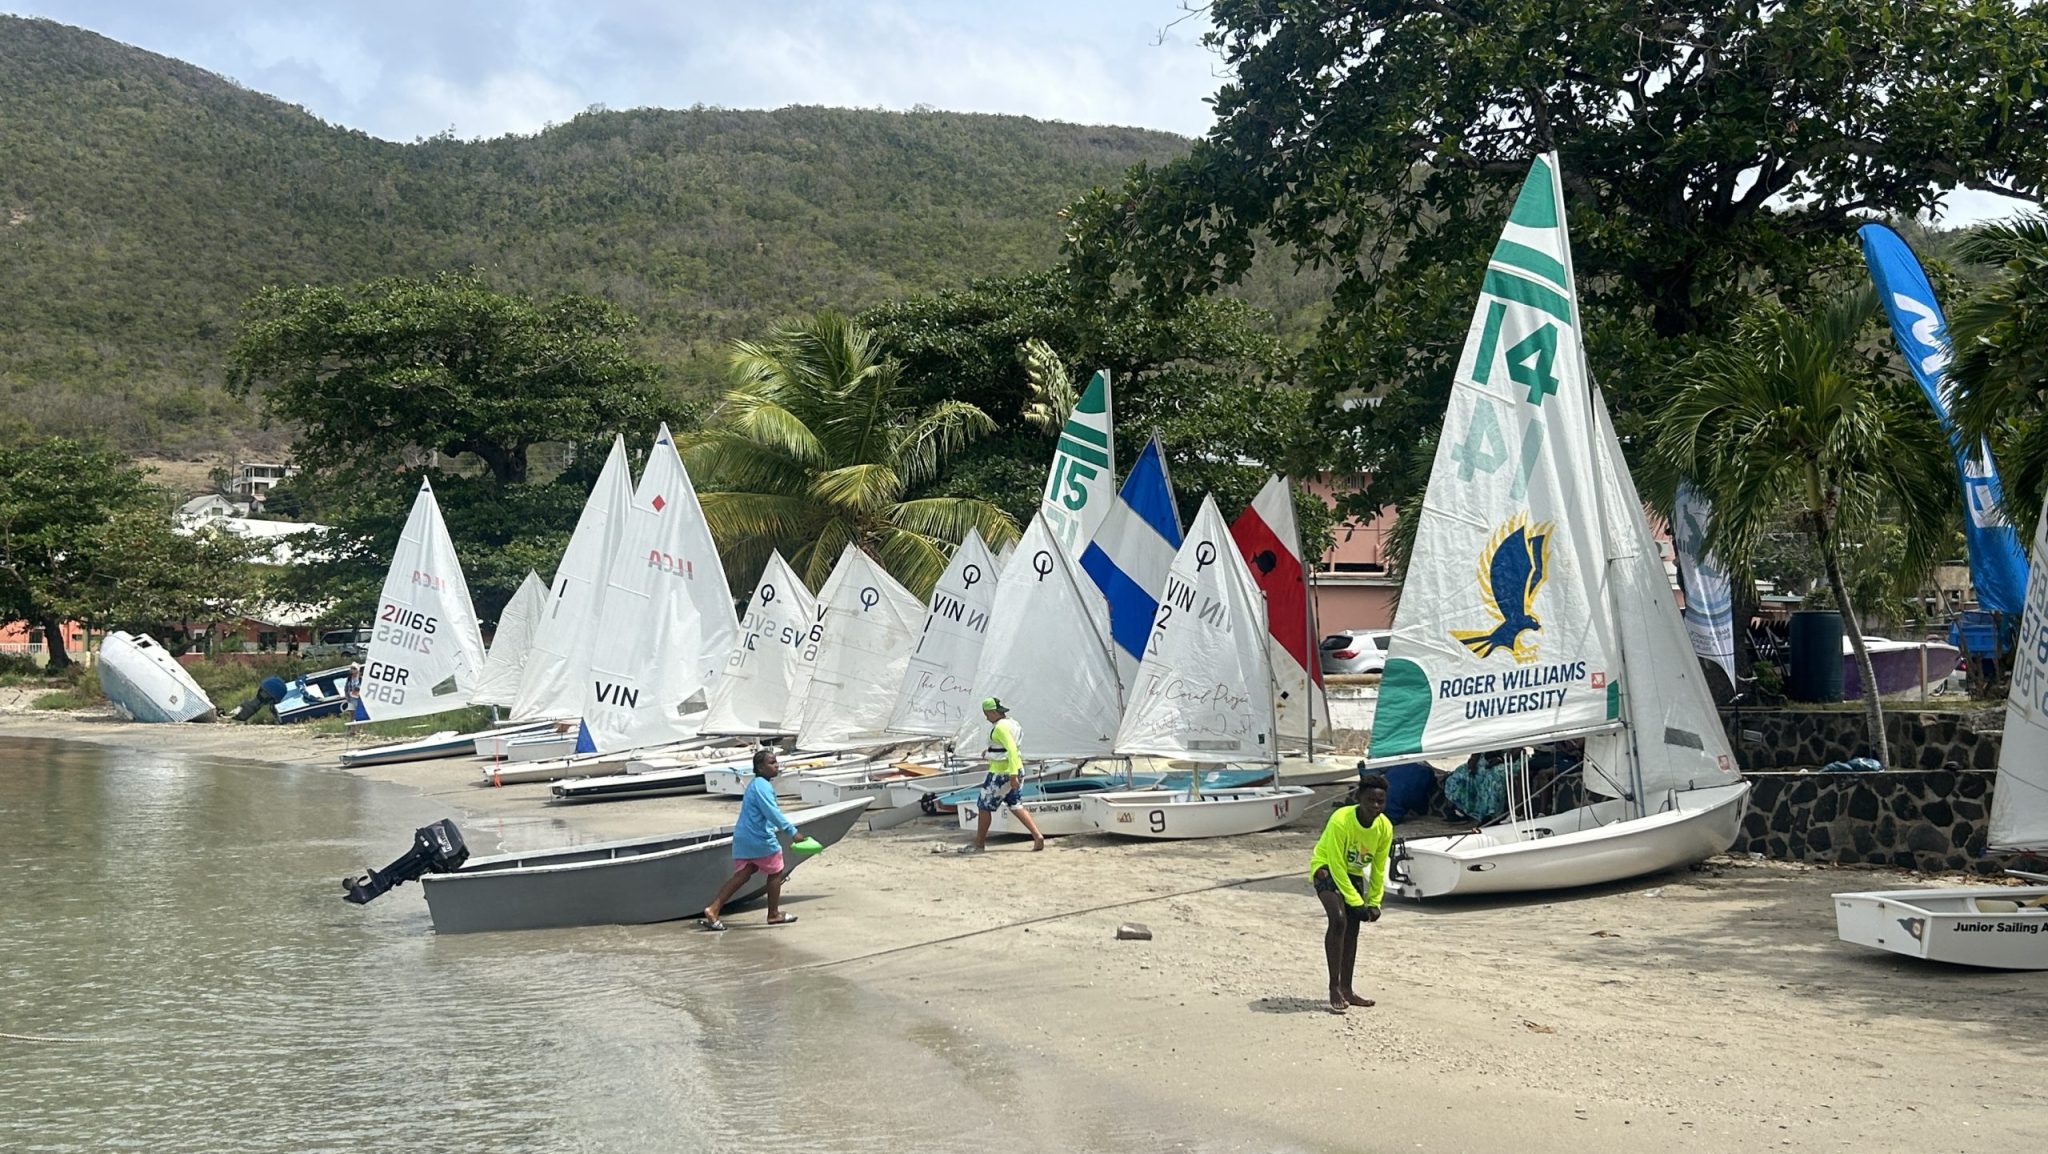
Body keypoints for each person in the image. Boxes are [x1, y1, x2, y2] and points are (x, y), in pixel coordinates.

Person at [1308, 774, 1393, 1015]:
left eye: (1380, 801)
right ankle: (1334, 987)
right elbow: (1336, 864)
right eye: (1370, 800)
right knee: (1338, 920)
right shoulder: (1341, 820)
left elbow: (1378, 868)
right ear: (1358, 798)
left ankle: (1347, 988)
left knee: (1353, 929)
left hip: (1352, 872)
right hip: (1326, 867)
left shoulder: (1385, 827)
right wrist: (1356, 902)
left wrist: (1374, 902)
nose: (1375, 806)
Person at [700, 748, 802, 930]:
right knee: (776, 870)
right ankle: (773, 914)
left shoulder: (755, 785)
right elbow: (772, 813)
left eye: (776, 761)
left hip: (743, 837)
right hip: (758, 838)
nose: (776, 765)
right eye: (771, 762)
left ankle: (713, 909)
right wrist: (792, 832)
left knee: (743, 874)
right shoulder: (762, 786)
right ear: (760, 768)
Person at [958, 696, 1045, 854]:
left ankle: (979, 844)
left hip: (1001, 773)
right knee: (1015, 804)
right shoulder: (1014, 723)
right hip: (1018, 768)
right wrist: (989, 752)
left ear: (992, 712)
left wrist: (1012, 775)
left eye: (986, 714)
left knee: (983, 806)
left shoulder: (999, 728)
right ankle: (1037, 835)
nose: (986, 718)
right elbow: (1006, 748)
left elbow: (1011, 749)